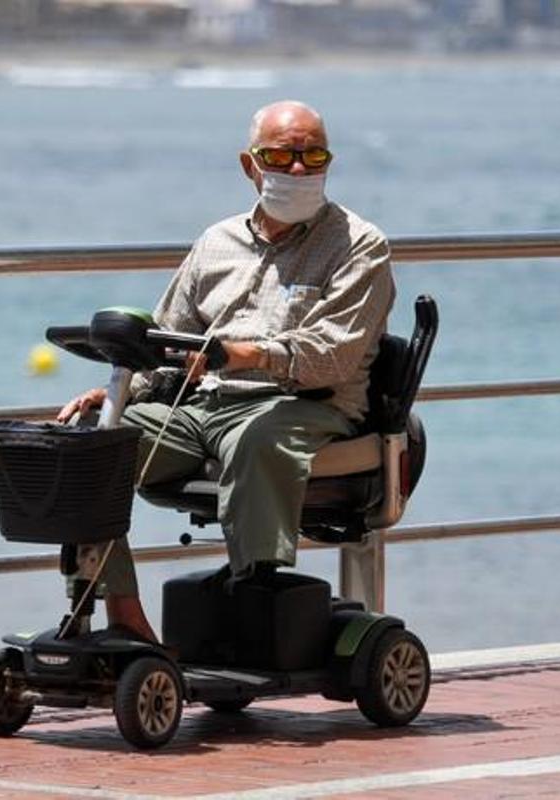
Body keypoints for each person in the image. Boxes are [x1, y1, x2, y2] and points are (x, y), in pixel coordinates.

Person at [57, 101, 396, 643]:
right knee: (97, 445)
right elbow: (167, 335)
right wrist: (120, 391)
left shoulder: (360, 245)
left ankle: (254, 591)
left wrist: (246, 354)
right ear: (250, 165)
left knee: (259, 437)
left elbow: (333, 356)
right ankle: (122, 610)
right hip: (204, 406)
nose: (299, 168)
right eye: (281, 155)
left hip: (308, 403)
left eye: (313, 154)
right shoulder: (216, 242)